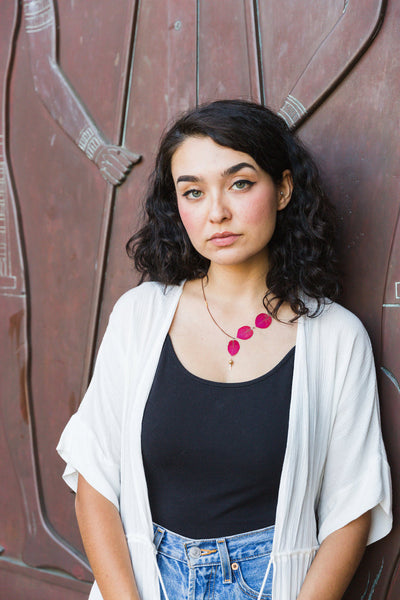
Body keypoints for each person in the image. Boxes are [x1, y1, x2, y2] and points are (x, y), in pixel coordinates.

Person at [57, 99, 392, 600]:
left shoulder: (337, 338)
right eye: (193, 192)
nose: (217, 212)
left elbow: (352, 509)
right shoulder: (139, 316)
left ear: (282, 188)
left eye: (239, 183)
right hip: (146, 585)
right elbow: (96, 479)